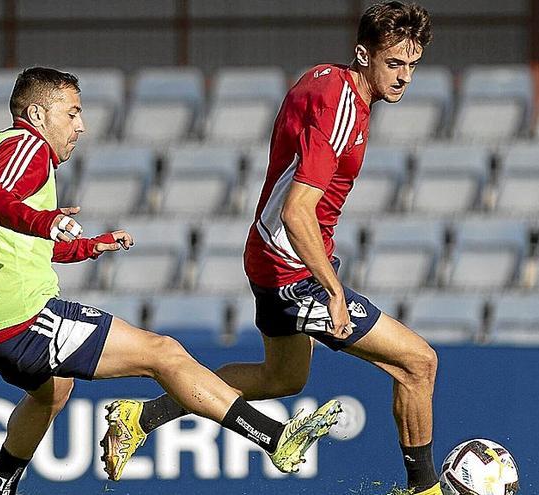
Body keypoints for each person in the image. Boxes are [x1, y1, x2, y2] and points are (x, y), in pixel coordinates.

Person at [0, 67, 342, 495]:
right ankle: (274, 438)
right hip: (20, 319)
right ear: (38, 114)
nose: (81, 126)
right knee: (163, 353)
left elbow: (9, 234)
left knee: (53, 391)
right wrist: (47, 221)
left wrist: (86, 246)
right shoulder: (27, 145)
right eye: (72, 113)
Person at [101, 2, 441, 494]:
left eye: (413, 65)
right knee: (418, 363)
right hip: (291, 268)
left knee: (282, 379)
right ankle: (423, 489)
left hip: (271, 256)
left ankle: (142, 417)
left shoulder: (328, 81)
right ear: (363, 55)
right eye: (395, 63)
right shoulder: (341, 105)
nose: (405, 76)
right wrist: (333, 289)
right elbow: (297, 210)